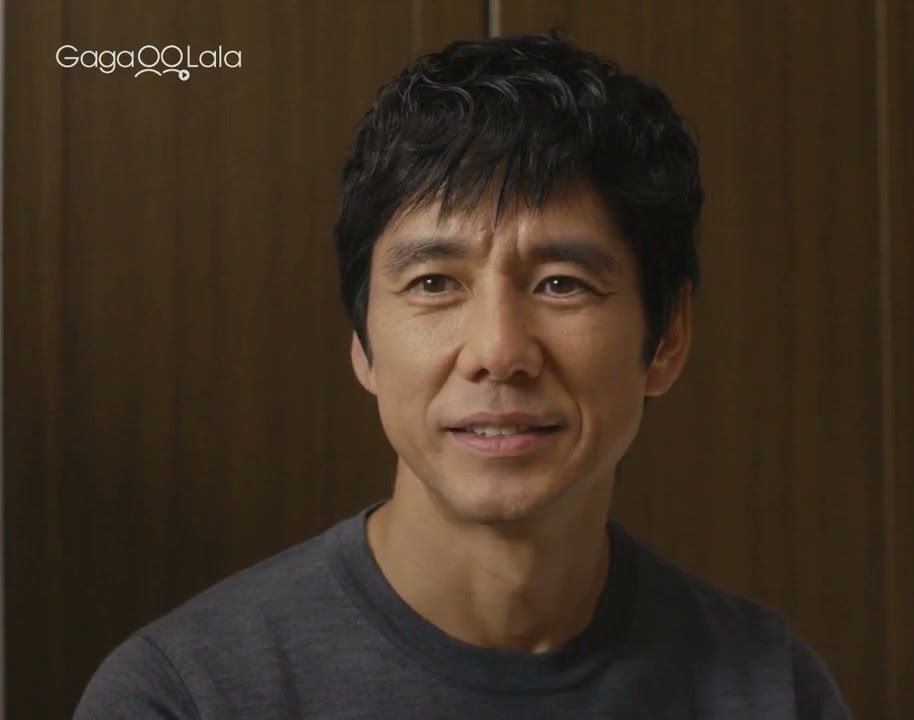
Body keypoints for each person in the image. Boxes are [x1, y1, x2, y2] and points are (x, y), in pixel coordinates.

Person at [74, 33, 851, 719]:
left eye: (561, 284)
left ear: (668, 336)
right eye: (434, 283)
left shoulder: (770, 688)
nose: (497, 350)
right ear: (363, 342)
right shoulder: (184, 696)